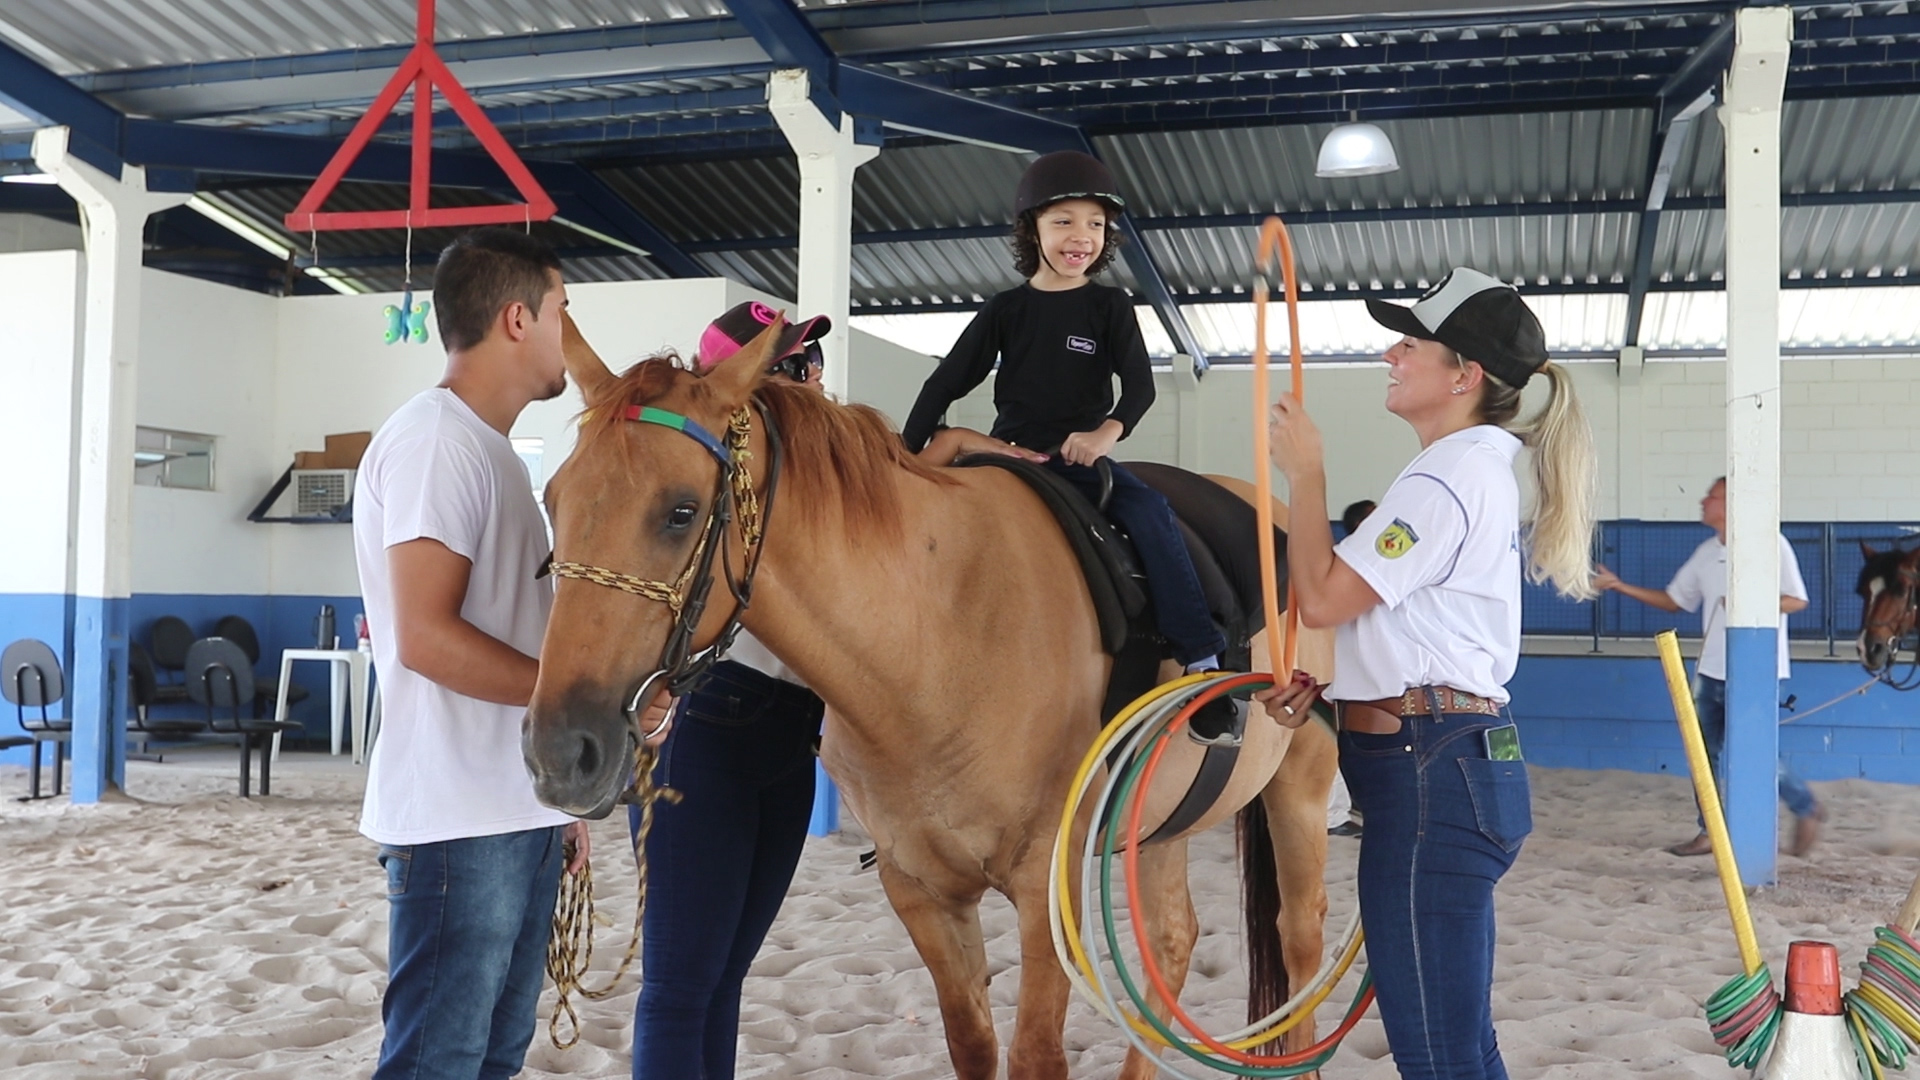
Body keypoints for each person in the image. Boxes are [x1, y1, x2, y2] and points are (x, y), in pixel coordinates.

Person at [1256, 267, 1597, 1080]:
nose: (1391, 354)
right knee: (1456, 1045)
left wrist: (1305, 476)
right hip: (1442, 762)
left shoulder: (1447, 476)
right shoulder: (1463, 468)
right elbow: (1396, 619)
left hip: (1429, 776)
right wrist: (1335, 685)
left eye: (1409, 343)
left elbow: (1326, 597)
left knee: (1438, 1055)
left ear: (1463, 376)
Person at [355, 228, 596, 1080]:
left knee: (491, 1056)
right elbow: (422, 635)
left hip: (512, 808)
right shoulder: (436, 442)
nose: (574, 329)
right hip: (458, 821)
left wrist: (557, 797)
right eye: (565, 310)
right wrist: (571, 702)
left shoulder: (492, 452)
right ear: (518, 318)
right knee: (437, 1059)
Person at [900, 149, 1236, 740]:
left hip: (1080, 460)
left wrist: (1104, 434)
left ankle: (1202, 656)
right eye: (1063, 222)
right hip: (1008, 457)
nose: (1080, 237)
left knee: (1150, 510)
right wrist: (903, 457)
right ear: (1032, 229)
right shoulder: (1005, 310)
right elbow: (945, 381)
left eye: (1094, 224)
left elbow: (1139, 386)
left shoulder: (1109, 306)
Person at [624, 301, 833, 1080]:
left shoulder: (812, 484)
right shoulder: (703, 483)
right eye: (789, 368)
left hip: (790, 737)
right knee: (680, 988)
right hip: (707, 727)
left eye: (810, 362)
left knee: (723, 978)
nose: (811, 378)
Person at [1592, 476, 1822, 857]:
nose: (1702, 501)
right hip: (1710, 672)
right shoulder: (1706, 553)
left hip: (1757, 671)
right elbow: (1673, 601)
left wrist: (1752, 602)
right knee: (1703, 754)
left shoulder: (1771, 545)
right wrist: (1619, 586)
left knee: (1756, 753)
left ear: (1731, 504)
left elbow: (1797, 601)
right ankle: (1710, 831)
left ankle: (1806, 807)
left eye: (1711, 497)